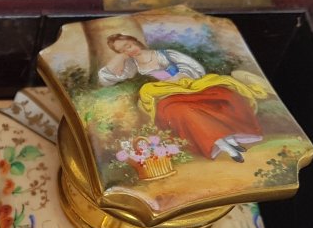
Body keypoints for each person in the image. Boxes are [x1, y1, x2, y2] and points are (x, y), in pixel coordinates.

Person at [98, 34, 266, 162]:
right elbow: (105, 79)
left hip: (190, 85)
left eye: (129, 45)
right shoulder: (131, 65)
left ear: (135, 41)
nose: (130, 50)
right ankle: (227, 147)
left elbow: (195, 68)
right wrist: (121, 57)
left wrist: (182, 76)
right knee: (179, 111)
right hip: (168, 93)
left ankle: (230, 140)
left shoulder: (165, 54)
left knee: (226, 95)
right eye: (124, 50)